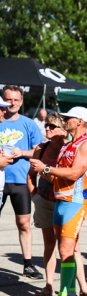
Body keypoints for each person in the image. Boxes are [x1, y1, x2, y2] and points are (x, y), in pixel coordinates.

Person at [28, 107, 87, 296]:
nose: (64, 120)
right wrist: (45, 177)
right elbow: (60, 176)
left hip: (74, 203)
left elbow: (75, 173)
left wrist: (46, 169)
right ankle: (73, 294)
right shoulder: (70, 145)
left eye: (68, 118)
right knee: (64, 249)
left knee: (66, 252)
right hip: (60, 201)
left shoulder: (86, 144)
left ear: (79, 121)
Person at [0, 86, 45, 279]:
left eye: (16, 100)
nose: (12, 103)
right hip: (0, 181)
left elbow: (39, 150)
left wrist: (23, 152)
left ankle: (28, 264)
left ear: (21, 101)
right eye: (9, 99)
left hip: (20, 180)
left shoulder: (29, 124)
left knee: (24, 223)